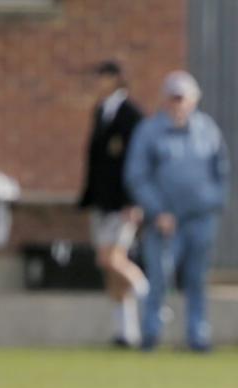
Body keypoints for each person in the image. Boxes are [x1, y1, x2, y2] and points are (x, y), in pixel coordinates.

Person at [124, 71, 229, 352]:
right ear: (165, 100)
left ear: (194, 100)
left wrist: (213, 203)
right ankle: (151, 334)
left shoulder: (207, 129)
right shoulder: (149, 131)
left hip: (200, 219)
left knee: (197, 280)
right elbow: (137, 176)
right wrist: (157, 211)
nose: (179, 104)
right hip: (164, 221)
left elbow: (221, 172)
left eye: (184, 98)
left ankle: (198, 335)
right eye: (174, 98)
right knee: (159, 277)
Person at [78, 60, 147, 348]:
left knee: (111, 258)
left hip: (122, 203)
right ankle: (126, 332)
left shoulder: (131, 114)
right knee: (109, 271)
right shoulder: (100, 111)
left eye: (102, 77)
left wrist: (134, 200)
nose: (97, 82)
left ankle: (152, 297)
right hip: (102, 201)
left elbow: (137, 161)